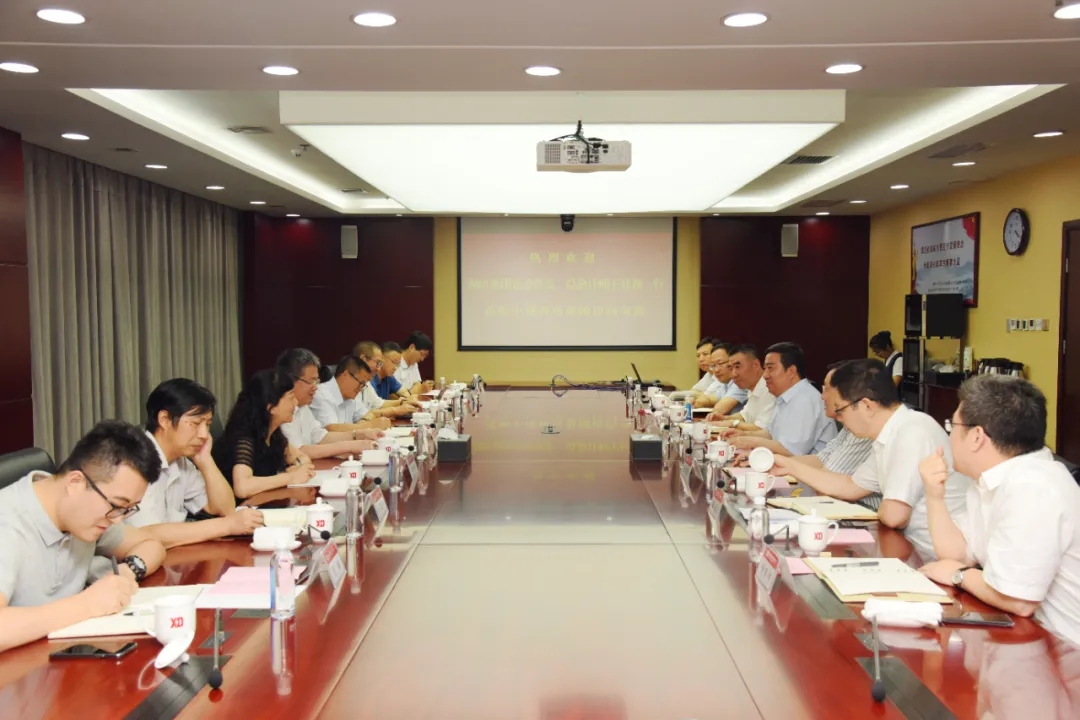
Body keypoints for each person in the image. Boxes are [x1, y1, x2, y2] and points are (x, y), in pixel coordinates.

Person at [917, 375, 1080, 645]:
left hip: (1066, 650)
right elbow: (956, 554)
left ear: (976, 437)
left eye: (952, 426)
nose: (949, 435)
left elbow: (1018, 599)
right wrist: (934, 495)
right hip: (1031, 639)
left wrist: (960, 576)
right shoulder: (993, 479)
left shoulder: (1032, 486)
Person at [0, 420, 168, 653]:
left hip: (63, 658)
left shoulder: (84, 515)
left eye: (128, 509)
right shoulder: (7, 522)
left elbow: (150, 544)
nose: (117, 519)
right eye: (116, 506)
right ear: (75, 482)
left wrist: (127, 573)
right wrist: (87, 604)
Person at [774, 358, 969, 556]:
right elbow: (850, 486)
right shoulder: (888, 433)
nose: (839, 419)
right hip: (910, 547)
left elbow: (894, 516)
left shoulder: (912, 432)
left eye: (840, 411)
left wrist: (885, 508)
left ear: (866, 405)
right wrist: (788, 466)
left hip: (934, 555)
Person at [128, 379, 264, 548]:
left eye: (207, 424)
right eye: (195, 424)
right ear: (164, 419)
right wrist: (227, 526)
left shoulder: (181, 461)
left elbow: (225, 509)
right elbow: (146, 535)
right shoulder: (134, 460)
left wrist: (206, 461)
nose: (204, 434)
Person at [212, 369, 314, 499]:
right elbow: (242, 488)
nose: (296, 403)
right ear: (271, 407)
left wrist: (298, 466)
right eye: (291, 398)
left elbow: (302, 457)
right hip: (238, 507)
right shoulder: (244, 438)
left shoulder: (273, 433)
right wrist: (289, 477)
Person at [726, 342, 836, 456]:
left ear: (791, 371)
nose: (765, 375)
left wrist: (751, 442)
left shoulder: (804, 400)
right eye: (765, 368)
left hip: (807, 466)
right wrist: (743, 435)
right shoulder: (786, 397)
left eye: (770, 368)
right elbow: (771, 434)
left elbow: (791, 451)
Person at [771, 363, 874, 479]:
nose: (822, 396)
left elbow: (831, 478)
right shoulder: (850, 426)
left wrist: (781, 467)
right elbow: (822, 458)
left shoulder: (863, 428)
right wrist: (772, 463)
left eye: (827, 389)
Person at [276, 348, 383, 460]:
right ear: (290, 380)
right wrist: (349, 446)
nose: (315, 387)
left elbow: (321, 436)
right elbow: (297, 452)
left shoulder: (303, 406)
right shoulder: (279, 408)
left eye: (316, 381)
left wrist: (359, 434)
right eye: (311, 381)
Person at [706, 344, 776, 429]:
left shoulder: (771, 388)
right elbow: (744, 416)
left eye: (737, 367)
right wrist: (724, 418)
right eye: (731, 369)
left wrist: (732, 423)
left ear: (756, 364)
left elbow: (762, 429)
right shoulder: (752, 387)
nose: (734, 374)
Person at [353, 340, 418, 419]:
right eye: (378, 362)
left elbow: (379, 403)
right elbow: (364, 416)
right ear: (364, 359)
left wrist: (402, 402)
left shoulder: (366, 382)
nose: (379, 368)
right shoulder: (352, 383)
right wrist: (395, 410)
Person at [693, 343, 748, 415]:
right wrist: (694, 401)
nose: (716, 370)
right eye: (713, 365)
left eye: (720, 363)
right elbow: (708, 399)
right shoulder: (726, 384)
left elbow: (720, 409)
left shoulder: (740, 382)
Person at [395, 330, 434, 396]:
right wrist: (416, 390)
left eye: (425, 356)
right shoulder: (395, 362)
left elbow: (418, 383)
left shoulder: (414, 363)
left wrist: (422, 387)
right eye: (422, 354)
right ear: (411, 347)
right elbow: (393, 395)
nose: (422, 359)